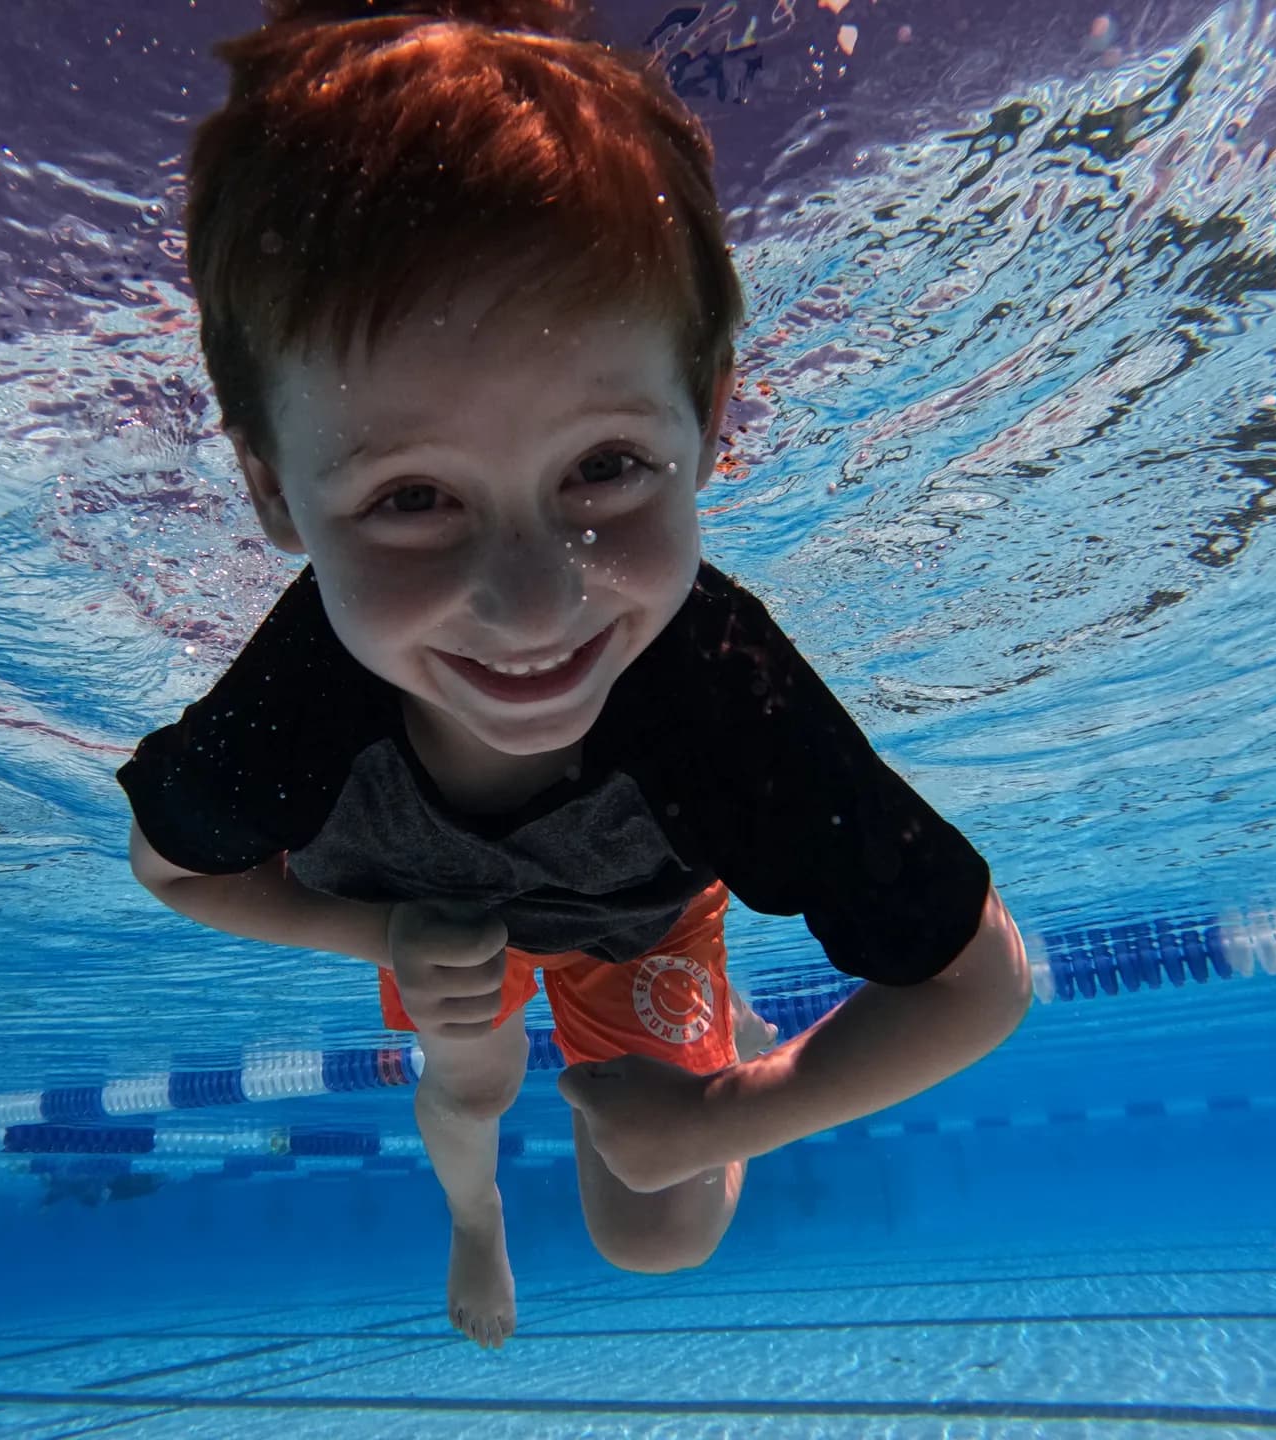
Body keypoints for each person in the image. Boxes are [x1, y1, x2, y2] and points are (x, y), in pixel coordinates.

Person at [118, 0, 1030, 1348]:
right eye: (414, 498)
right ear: (272, 490)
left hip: (637, 917)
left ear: (712, 419)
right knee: (469, 1077)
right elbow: (175, 867)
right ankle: (475, 1221)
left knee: (654, 1227)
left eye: (606, 469)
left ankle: (709, 1038)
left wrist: (736, 1118)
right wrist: (381, 934)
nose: (535, 606)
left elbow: (980, 983)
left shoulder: (719, 697)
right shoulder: (307, 690)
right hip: (436, 920)